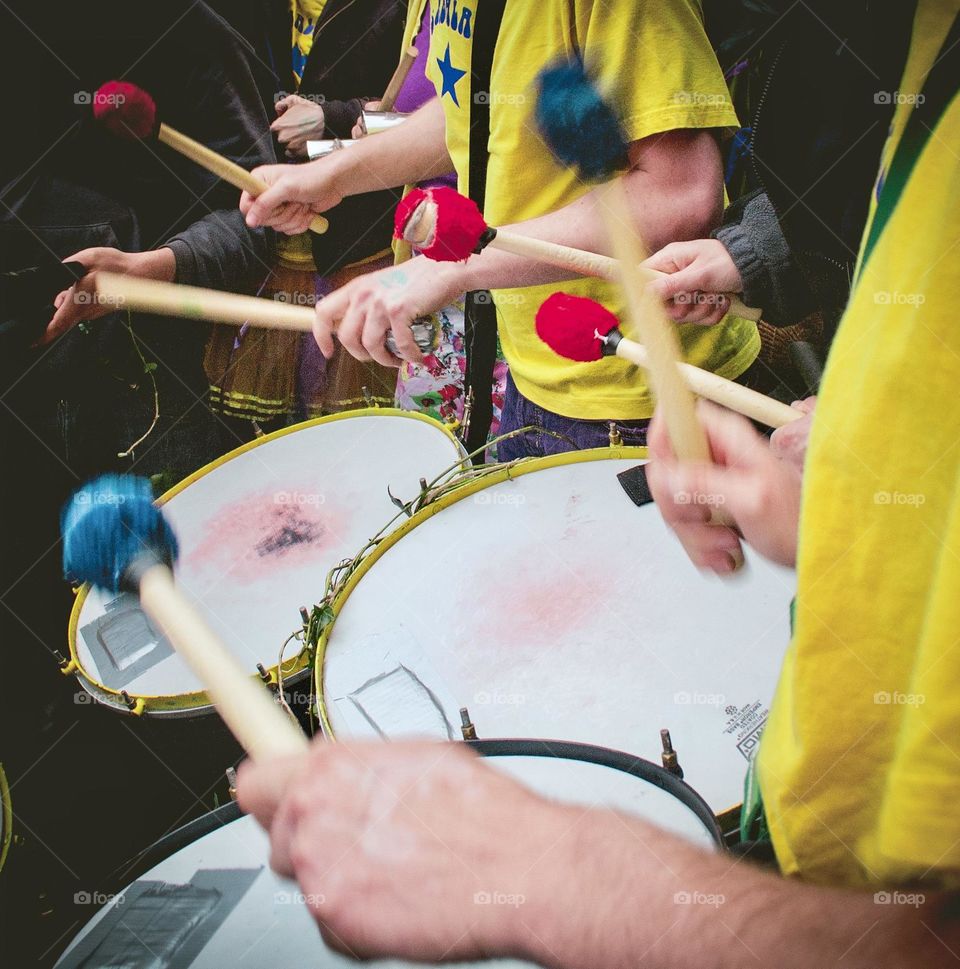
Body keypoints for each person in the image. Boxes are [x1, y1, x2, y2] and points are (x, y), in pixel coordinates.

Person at [237, 2, 960, 964]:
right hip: (831, 784)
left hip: (880, 861)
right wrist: (837, 494)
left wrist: (548, 865)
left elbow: (919, 943)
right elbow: (475, 115)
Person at [239, 0, 761, 458]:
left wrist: (452, 268)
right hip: (532, 371)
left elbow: (678, 193)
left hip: (643, 388)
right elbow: (472, 107)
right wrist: (332, 175)